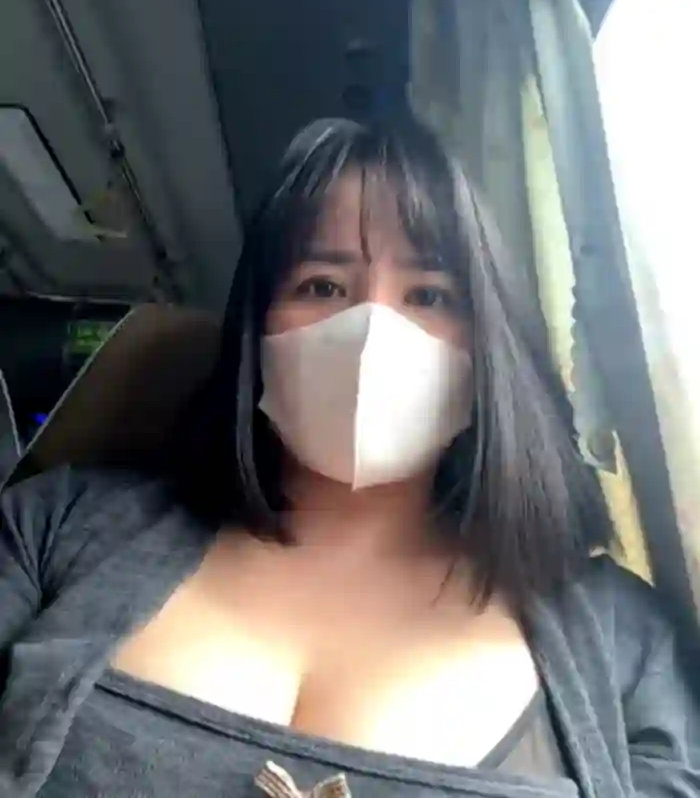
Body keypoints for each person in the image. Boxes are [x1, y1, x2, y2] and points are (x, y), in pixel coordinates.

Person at [0, 116, 698, 798]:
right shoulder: (54, 526)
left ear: (491, 348)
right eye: (322, 287)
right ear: (256, 328)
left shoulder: (621, 637)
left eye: (429, 295)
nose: (371, 331)